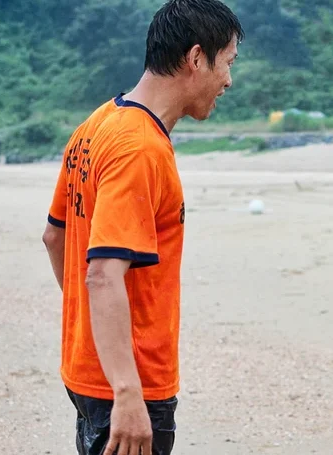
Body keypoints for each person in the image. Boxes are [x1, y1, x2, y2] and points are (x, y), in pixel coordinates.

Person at [41, 1, 244, 454]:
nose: (229, 80)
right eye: (228, 63)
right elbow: (102, 274)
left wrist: (96, 328)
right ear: (196, 58)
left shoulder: (97, 124)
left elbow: (55, 237)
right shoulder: (140, 148)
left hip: (88, 370)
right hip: (130, 382)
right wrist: (127, 391)